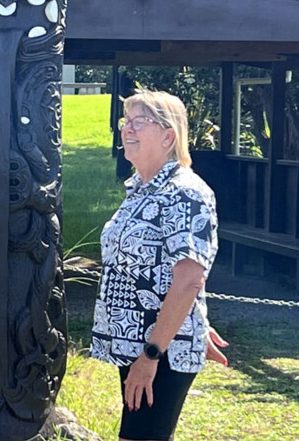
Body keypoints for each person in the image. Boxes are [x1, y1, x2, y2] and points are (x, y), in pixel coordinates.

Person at [91, 91, 228, 441]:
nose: (126, 129)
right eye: (125, 122)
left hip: (158, 350)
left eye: (139, 122)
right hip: (139, 344)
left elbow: (188, 280)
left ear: (169, 136)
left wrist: (153, 354)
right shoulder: (141, 189)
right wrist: (196, 320)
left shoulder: (184, 192)